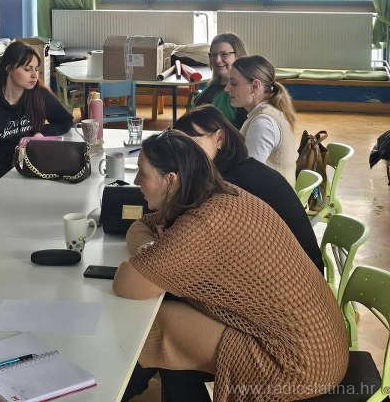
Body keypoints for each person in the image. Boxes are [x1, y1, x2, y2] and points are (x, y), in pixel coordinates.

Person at [114, 129, 348, 402]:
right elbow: (141, 226)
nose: (136, 180)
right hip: (317, 343)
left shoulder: (202, 225)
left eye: (142, 173)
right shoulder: (218, 194)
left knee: (153, 323)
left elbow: (125, 284)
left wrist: (151, 256)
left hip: (299, 364)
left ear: (171, 180)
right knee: (171, 316)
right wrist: (153, 252)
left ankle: (107, 391)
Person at [175, 105, 322, 270]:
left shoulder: (232, 182)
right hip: (287, 266)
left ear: (219, 138)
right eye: (179, 145)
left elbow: (202, 240)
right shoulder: (236, 167)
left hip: (295, 275)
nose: (184, 152)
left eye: (192, 143)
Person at [0, 40, 74, 192]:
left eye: (36, 69)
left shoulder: (38, 93)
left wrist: (41, 134)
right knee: (11, 184)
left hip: (23, 163)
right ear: (9, 69)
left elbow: (65, 120)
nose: (34, 75)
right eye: (27, 69)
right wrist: (15, 153)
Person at [226, 54, 297, 185]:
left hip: (270, 197)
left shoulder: (263, 123)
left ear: (255, 86)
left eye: (234, 83)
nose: (227, 89)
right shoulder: (269, 111)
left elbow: (249, 177)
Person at [186, 32, 248, 128]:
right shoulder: (211, 85)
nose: (217, 60)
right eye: (213, 54)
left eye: (225, 54)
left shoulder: (242, 94)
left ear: (239, 56)